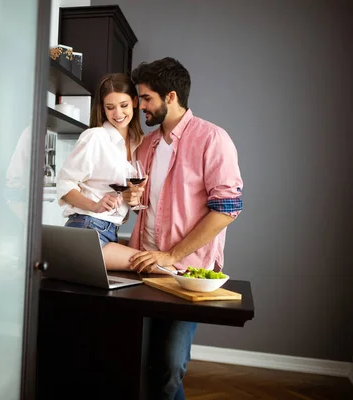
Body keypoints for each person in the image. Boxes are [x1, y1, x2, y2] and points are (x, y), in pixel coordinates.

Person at [127, 57, 244, 400]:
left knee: (169, 366)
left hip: (184, 273)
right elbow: (140, 205)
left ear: (171, 97)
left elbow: (227, 210)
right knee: (139, 361)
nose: (140, 105)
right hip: (142, 268)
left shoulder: (212, 139)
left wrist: (171, 254)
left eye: (146, 98)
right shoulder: (145, 145)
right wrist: (129, 200)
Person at [56, 73, 146, 268]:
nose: (118, 114)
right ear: (103, 109)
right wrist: (94, 205)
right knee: (156, 267)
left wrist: (133, 200)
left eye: (124, 105)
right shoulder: (95, 137)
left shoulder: (138, 143)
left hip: (108, 229)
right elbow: (64, 183)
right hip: (87, 226)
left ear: (135, 102)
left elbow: (129, 196)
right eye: (110, 107)